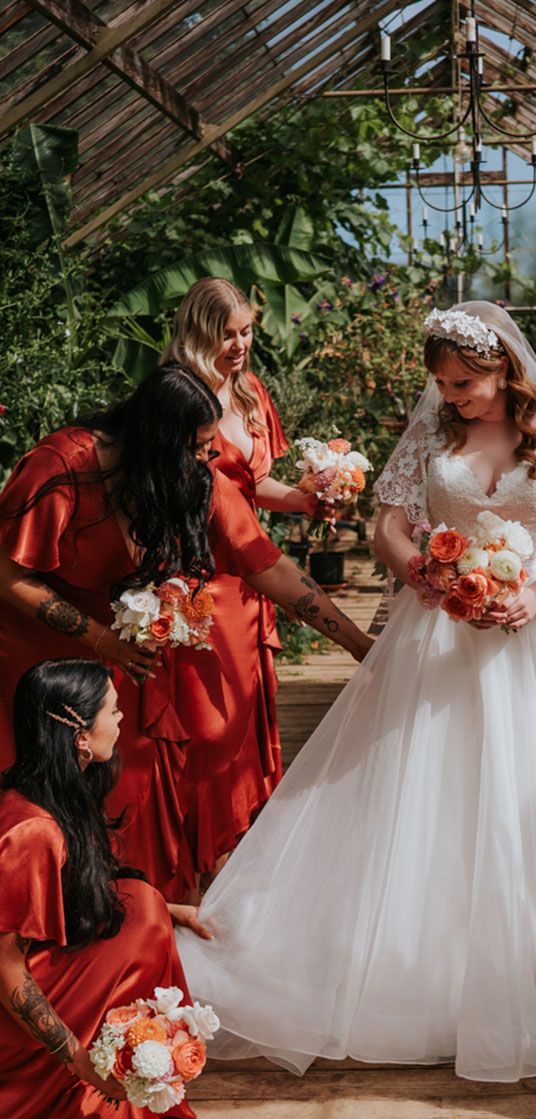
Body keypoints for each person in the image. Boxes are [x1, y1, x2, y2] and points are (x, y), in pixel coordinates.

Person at [178, 301, 536, 1083]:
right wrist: (426, 572)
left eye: (467, 382)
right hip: (435, 630)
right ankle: (411, 974)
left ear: (506, 369)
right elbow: (390, 526)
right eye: (443, 384)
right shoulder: (435, 431)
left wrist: (529, 594)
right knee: (421, 797)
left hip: (523, 634)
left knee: (516, 805)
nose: (455, 397)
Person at [0, 363, 371, 902]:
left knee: (132, 784)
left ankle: (137, 914)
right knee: (49, 793)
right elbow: (8, 574)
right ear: (157, 441)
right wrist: (101, 640)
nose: (210, 457)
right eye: (199, 446)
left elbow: (269, 567)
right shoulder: (64, 466)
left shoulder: (194, 478)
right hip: (38, 654)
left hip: (122, 656)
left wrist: (358, 643)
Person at [0, 658, 207, 1119]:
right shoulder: (31, 831)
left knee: (144, 902)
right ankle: (75, 1088)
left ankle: (132, 1056)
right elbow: (4, 965)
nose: (121, 720)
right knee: (143, 920)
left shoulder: (45, 791)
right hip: (8, 1012)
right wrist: (79, 1061)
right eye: (113, 711)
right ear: (79, 735)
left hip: (32, 971)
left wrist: (172, 908)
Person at [161, 277, 325, 883]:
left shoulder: (251, 393)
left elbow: (254, 489)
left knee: (248, 717)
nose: (239, 345)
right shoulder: (179, 397)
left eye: (247, 331)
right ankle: (202, 863)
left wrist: (307, 501)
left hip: (252, 572)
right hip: (201, 577)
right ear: (198, 333)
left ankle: (242, 864)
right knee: (211, 728)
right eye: (225, 334)